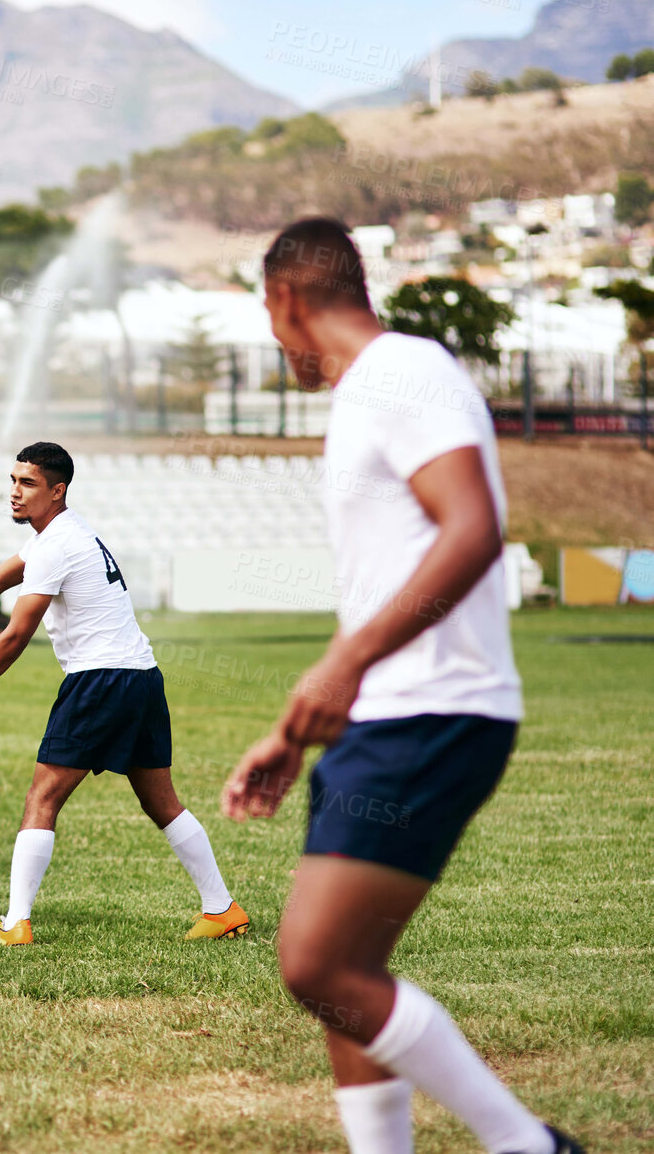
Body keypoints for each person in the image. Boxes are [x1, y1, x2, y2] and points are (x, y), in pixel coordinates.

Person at [221, 218, 583, 1154]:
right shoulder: (364, 395)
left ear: (285, 298)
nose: (274, 338)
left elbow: (472, 531)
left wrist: (342, 665)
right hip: (383, 715)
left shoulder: (401, 371)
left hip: (437, 708)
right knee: (350, 977)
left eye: (268, 317)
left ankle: (528, 1145)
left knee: (314, 963)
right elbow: (385, 586)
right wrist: (294, 731)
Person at [0, 441, 247, 945]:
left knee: (42, 797)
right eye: (13, 481)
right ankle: (222, 909)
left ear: (57, 491)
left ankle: (16, 923)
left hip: (100, 681)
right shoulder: (61, 535)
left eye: (28, 484)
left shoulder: (57, 545)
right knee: (161, 802)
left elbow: (16, 633)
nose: (15, 493)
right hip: (140, 677)